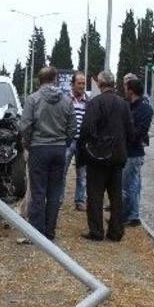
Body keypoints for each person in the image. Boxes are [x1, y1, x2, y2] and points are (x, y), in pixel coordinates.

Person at [19, 66, 76, 241]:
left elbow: (25, 126)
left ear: (39, 81)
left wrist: (29, 144)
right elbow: (72, 128)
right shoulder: (67, 101)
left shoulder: (33, 99)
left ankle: (37, 234)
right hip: (59, 150)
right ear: (56, 79)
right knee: (54, 192)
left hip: (38, 149)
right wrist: (63, 143)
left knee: (38, 192)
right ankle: (50, 232)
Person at [77, 70, 135, 242]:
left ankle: (96, 231)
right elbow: (130, 131)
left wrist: (87, 149)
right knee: (116, 196)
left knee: (95, 195)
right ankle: (116, 231)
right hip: (117, 157)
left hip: (98, 157)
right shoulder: (123, 104)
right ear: (114, 84)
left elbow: (86, 129)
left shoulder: (95, 103)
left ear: (100, 84)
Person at [122, 77, 153, 227]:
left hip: (133, 152)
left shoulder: (144, 109)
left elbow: (138, 132)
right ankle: (133, 214)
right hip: (130, 151)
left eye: (126, 89)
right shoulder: (128, 106)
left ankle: (130, 216)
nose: (124, 91)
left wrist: (128, 133)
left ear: (131, 91)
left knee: (129, 185)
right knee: (134, 183)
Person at [61, 71, 89, 211]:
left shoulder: (88, 101)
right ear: (72, 84)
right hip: (68, 141)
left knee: (82, 174)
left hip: (82, 143)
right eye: (79, 83)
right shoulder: (65, 100)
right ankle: (59, 200)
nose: (82, 86)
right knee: (62, 172)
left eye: (84, 83)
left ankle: (80, 201)